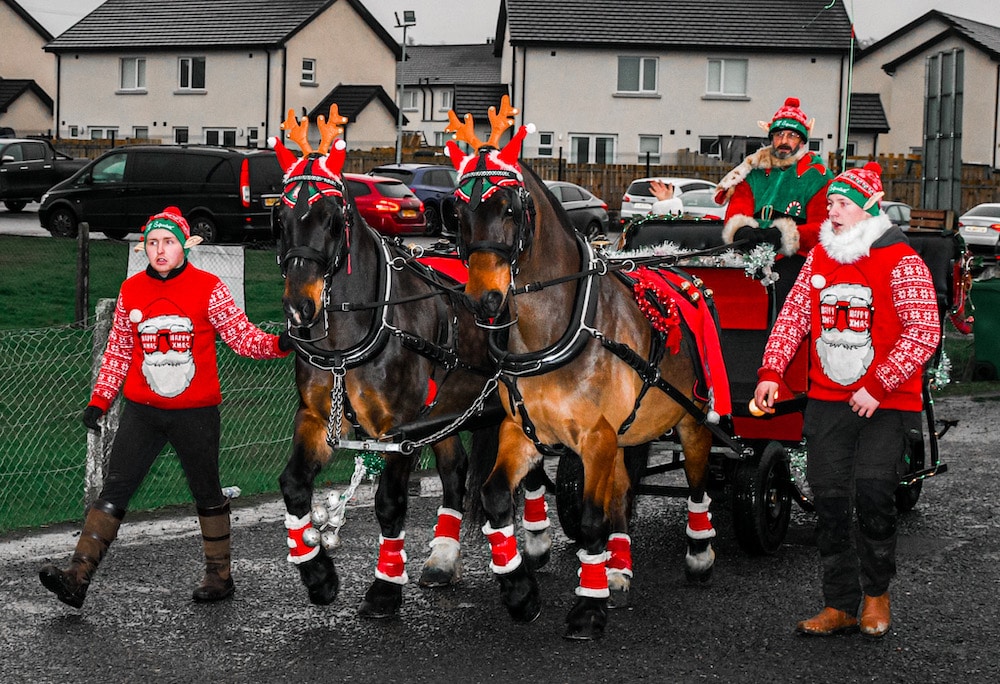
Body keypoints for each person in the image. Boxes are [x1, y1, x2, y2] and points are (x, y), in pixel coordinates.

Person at [39, 207, 292, 608]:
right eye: (153, 243)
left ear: (185, 246)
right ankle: (77, 576)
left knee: (206, 490)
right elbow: (119, 351)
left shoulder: (209, 288)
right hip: (142, 411)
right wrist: (100, 399)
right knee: (115, 488)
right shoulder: (131, 289)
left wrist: (279, 344)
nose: (160, 250)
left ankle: (219, 575)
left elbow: (241, 337)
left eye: (169, 242)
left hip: (196, 412)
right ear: (144, 247)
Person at [752, 162, 940, 638]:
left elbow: (924, 333)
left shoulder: (901, 260)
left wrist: (877, 387)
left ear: (869, 209)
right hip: (828, 400)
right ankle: (839, 603)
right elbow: (792, 318)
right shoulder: (819, 259)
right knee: (830, 498)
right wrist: (771, 371)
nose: (830, 212)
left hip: (886, 402)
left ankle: (876, 595)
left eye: (841, 204)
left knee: (875, 496)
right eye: (830, 203)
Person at [715, 97, 834, 259]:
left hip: (797, 257)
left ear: (802, 142)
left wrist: (785, 235)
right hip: (751, 254)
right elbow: (737, 209)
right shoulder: (752, 172)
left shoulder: (817, 175)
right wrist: (741, 230)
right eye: (779, 134)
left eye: (792, 135)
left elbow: (823, 227)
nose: (784, 141)